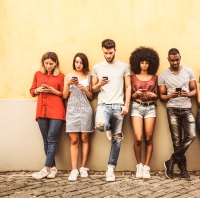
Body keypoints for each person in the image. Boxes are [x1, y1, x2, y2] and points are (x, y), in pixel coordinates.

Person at [91, 39, 131, 182]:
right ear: (102, 51)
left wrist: (126, 105)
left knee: (117, 139)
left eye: (110, 53)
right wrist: (99, 84)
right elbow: (93, 89)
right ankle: (108, 126)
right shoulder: (97, 67)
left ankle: (110, 169)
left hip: (119, 105)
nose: (108, 56)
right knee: (101, 125)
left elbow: (128, 87)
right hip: (103, 105)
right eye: (105, 53)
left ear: (115, 50)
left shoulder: (124, 66)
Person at [158, 48, 197, 180]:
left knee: (191, 135)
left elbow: (194, 91)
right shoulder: (163, 75)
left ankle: (171, 160)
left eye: (177, 60)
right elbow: (161, 97)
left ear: (180, 58)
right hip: (172, 109)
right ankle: (183, 170)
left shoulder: (189, 71)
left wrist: (187, 94)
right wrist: (170, 95)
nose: (175, 62)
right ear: (168, 59)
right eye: (172, 60)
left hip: (186, 108)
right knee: (176, 140)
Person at [30, 52, 65, 180]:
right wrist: (38, 90)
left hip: (56, 111)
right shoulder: (38, 74)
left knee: (52, 138)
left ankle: (45, 168)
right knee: (46, 139)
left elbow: (64, 94)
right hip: (41, 111)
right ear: (43, 63)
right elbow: (32, 91)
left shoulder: (61, 76)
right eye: (46, 63)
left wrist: (53, 91)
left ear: (56, 63)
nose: (48, 66)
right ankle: (53, 168)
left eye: (51, 63)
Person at [129, 46, 160, 179]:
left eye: (147, 62)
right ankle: (139, 165)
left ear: (151, 63)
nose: (144, 65)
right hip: (136, 107)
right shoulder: (133, 77)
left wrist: (152, 94)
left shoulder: (154, 77)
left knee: (148, 138)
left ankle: (146, 167)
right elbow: (130, 95)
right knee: (138, 138)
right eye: (142, 62)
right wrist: (136, 94)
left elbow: (157, 95)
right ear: (137, 63)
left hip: (150, 108)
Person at [63, 53, 93, 181]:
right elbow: (64, 96)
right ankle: (74, 169)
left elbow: (91, 97)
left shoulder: (89, 77)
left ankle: (83, 167)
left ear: (84, 63)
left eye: (81, 62)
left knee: (85, 138)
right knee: (74, 140)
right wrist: (68, 84)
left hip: (86, 109)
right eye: (76, 62)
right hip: (72, 109)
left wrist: (84, 89)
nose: (78, 64)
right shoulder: (68, 76)